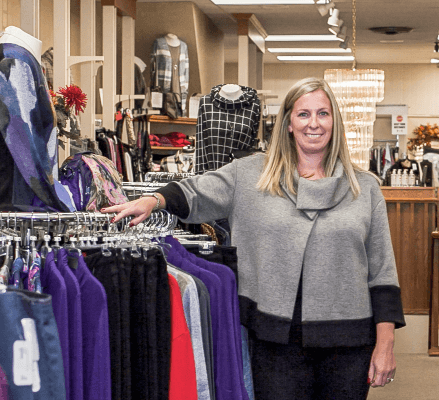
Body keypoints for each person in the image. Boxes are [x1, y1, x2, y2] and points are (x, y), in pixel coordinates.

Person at [102, 77, 406, 399]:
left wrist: (385, 344)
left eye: (323, 114)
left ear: (335, 122)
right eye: (303, 114)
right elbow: (195, 191)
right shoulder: (249, 175)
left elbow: (382, 270)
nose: (313, 124)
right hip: (274, 339)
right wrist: (154, 200)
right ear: (288, 122)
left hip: (349, 342)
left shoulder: (365, 187)